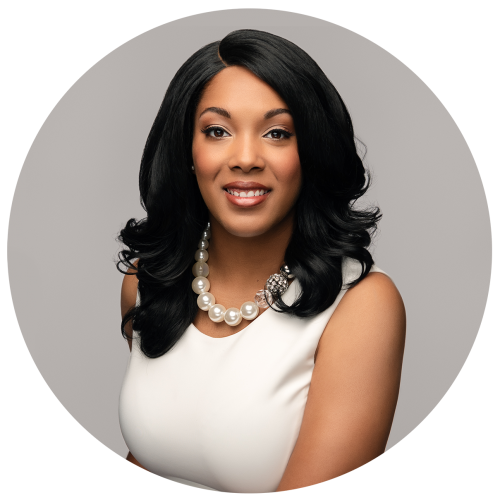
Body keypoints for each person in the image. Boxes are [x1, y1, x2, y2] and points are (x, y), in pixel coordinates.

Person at [117, 29, 405, 493]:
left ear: (310, 152)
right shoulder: (147, 280)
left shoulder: (361, 305)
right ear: (187, 150)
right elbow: (158, 454)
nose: (246, 158)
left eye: (277, 133)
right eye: (217, 131)